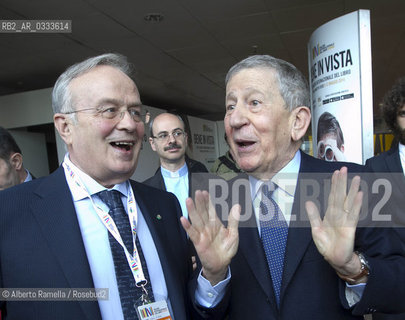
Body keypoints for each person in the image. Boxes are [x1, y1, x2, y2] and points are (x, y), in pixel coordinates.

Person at [0, 53, 224, 320]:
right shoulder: (10, 213)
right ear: (65, 127)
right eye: (109, 110)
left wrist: (212, 276)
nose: (129, 123)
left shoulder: (163, 206)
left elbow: (186, 306)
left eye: (135, 112)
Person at [181, 55, 405, 319]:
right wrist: (214, 276)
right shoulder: (218, 202)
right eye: (230, 106)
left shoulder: (354, 183)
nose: (234, 119)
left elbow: (398, 287)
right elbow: (201, 309)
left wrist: (352, 268)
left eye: (254, 103)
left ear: (297, 122)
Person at [365, 76, 405, 320]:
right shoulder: (376, 167)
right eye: (404, 113)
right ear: (394, 118)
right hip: (395, 296)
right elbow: (372, 233)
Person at [143, 112, 208, 219]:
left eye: (177, 133)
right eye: (163, 135)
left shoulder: (211, 182)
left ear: (186, 138)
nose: (172, 140)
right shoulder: (144, 192)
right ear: (153, 144)